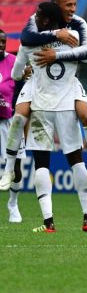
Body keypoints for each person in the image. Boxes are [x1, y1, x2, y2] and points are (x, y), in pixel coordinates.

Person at [0, 0, 87, 191]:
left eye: (74, 4)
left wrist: (56, 55)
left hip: (67, 81)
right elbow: (26, 39)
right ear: (55, 4)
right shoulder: (38, 19)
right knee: (19, 116)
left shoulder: (78, 23)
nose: (73, 8)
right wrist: (56, 35)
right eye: (68, 5)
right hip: (38, 80)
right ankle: (8, 169)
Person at [7, 2, 87, 233]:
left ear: (47, 21)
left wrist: (27, 71)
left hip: (41, 108)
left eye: (39, 15)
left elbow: (16, 74)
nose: (35, 17)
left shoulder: (29, 43)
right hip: (66, 107)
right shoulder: (72, 37)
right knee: (76, 160)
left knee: (41, 164)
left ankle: (48, 223)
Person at [0, 29, 26, 223]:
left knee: (16, 167)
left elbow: (21, 90)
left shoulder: (14, 63)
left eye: (3, 41)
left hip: (10, 121)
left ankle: (13, 204)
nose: (1, 45)